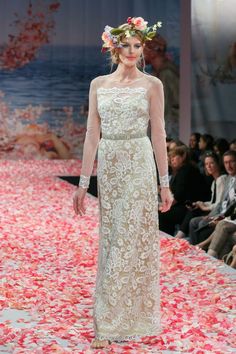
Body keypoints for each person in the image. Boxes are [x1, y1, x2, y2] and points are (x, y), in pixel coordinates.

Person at [73, 17, 173, 349]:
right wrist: (84, 182)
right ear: (114, 47)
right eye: (126, 45)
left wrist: (164, 183)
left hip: (140, 163)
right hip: (112, 166)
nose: (132, 51)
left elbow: (158, 134)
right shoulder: (98, 84)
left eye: (137, 45)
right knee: (113, 239)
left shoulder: (152, 85)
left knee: (133, 241)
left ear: (142, 49)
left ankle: (115, 322)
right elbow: (91, 135)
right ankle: (111, 317)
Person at [175, 152, 227, 239]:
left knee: (193, 214)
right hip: (214, 210)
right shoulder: (215, 181)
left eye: (211, 163)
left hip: (219, 213)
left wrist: (204, 207)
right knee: (194, 208)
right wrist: (201, 203)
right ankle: (182, 235)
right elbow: (212, 202)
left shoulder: (221, 179)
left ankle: (181, 235)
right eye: (206, 164)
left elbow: (219, 205)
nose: (208, 166)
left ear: (218, 164)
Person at [189, 150, 236, 245]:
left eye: (232, 161)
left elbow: (228, 206)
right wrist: (203, 206)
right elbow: (219, 203)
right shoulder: (227, 180)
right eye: (226, 162)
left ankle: (198, 250)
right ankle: (194, 248)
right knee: (194, 221)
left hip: (226, 216)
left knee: (201, 224)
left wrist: (211, 214)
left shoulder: (223, 179)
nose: (228, 165)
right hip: (221, 214)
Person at [158, 145, 205, 236]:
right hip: (183, 206)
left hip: (190, 208)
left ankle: (167, 241)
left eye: (174, 157)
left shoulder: (186, 170)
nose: (172, 160)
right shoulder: (181, 171)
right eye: (170, 158)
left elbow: (178, 195)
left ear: (183, 156)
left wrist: (164, 206)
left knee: (162, 214)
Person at [144, 34, 179, 138]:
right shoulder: (159, 73)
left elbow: (165, 109)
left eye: (143, 49)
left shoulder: (166, 74)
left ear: (153, 52)